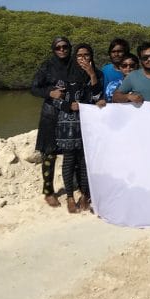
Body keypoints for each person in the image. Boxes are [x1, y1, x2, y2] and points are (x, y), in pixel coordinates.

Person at [55, 43, 103, 213]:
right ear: (75, 58)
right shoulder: (64, 74)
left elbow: (98, 97)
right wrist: (68, 106)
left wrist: (92, 74)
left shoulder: (98, 74)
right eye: (79, 55)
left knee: (85, 161)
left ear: (91, 57)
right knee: (69, 160)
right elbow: (55, 99)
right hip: (67, 125)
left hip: (88, 124)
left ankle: (84, 195)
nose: (83, 58)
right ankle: (69, 196)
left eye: (86, 55)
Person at [30, 37, 72, 207]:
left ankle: (74, 188)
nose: (62, 50)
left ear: (70, 48)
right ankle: (48, 191)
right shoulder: (47, 66)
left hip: (70, 114)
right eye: (58, 47)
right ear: (53, 50)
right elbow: (34, 88)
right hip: (51, 114)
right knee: (49, 153)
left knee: (72, 152)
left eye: (65, 47)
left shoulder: (75, 65)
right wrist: (50, 92)